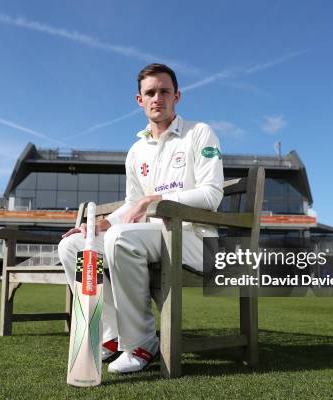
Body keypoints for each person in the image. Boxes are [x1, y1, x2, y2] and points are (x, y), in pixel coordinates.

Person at [58, 63, 224, 373]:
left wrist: (155, 200)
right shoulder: (136, 151)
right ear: (139, 100)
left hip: (196, 239)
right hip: (152, 237)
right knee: (73, 245)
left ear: (177, 96)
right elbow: (133, 204)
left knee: (123, 239)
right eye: (150, 92)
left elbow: (212, 195)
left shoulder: (199, 133)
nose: (157, 98)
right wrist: (104, 223)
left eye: (164, 91)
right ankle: (110, 334)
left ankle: (141, 343)